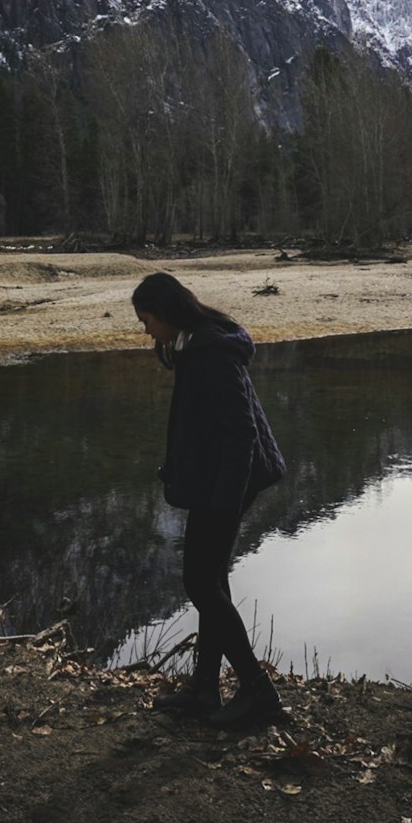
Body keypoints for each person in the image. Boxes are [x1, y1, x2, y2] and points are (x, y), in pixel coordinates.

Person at [132, 271, 287, 728]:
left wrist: (223, 501)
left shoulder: (210, 354)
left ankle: (258, 691)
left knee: (201, 584)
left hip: (230, 483)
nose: (146, 331)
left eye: (146, 320)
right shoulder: (193, 346)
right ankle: (204, 688)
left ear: (166, 313)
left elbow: (240, 433)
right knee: (211, 581)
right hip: (215, 481)